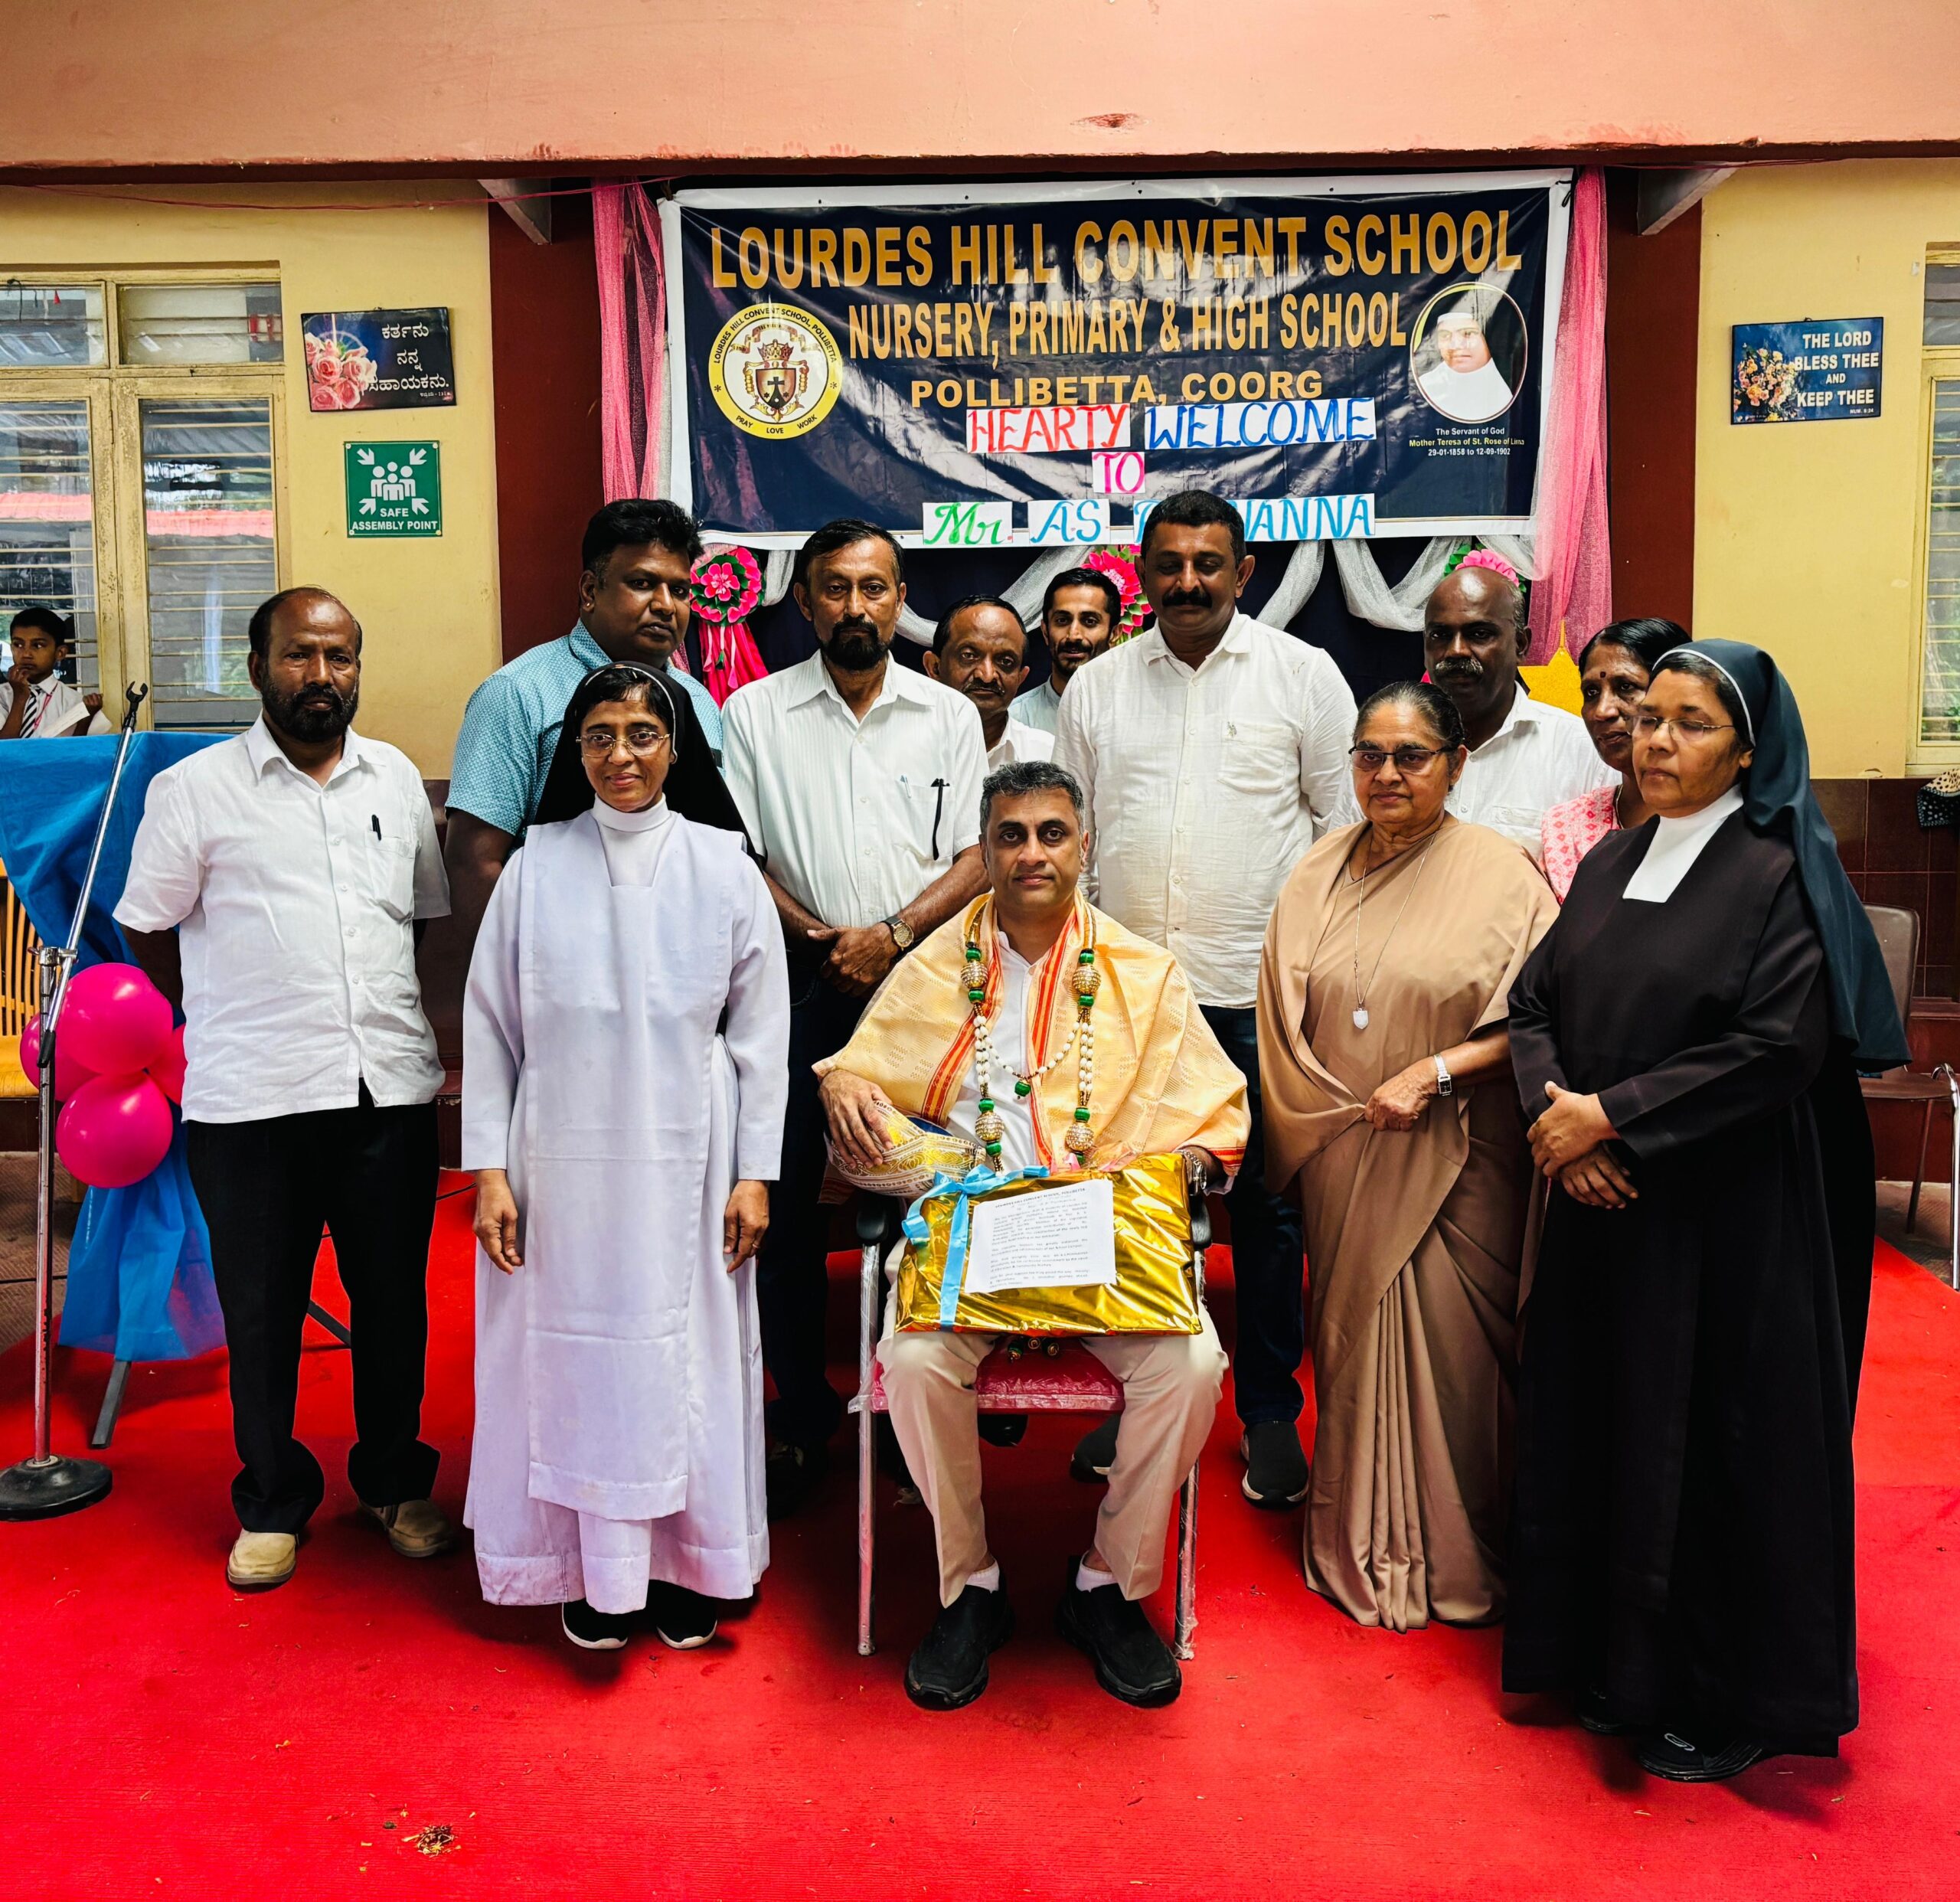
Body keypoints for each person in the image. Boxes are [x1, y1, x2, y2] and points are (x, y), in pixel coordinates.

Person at [1504, 640, 1903, 1783]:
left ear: (1747, 752)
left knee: (1721, 1441)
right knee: (1605, 1421)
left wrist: (1610, 1117)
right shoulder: (1612, 860)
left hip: (1731, 1214)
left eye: (1690, 723)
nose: (1656, 740)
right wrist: (1560, 1122)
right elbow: (1533, 1004)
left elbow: (1777, 1046)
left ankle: (1730, 1696)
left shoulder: (1780, 874)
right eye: (1647, 718)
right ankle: (1611, 1664)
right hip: (1604, 1202)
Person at [818, 760, 1249, 1710]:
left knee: (1190, 1368)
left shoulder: (1143, 973)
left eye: (1052, 833)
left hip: (1102, 1233)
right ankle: (969, 1585)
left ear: (1083, 847)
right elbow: (861, 1066)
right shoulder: (936, 966)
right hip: (971, 1235)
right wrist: (844, 1081)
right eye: (1009, 836)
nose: (1031, 854)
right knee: (913, 1362)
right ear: (983, 853)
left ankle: (1107, 1585)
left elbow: (1213, 1113)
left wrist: (1187, 1164)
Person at [115, 587, 451, 1591]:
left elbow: (419, 920)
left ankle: (393, 1481)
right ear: (257, 668)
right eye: (300, 656)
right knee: (262, 1314)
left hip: (386, 1092)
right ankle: (270, 1501)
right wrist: (229, 1014)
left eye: (339, 657)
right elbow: (146, 927)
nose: (321, 676)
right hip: (252, 1104)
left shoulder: (394, 777)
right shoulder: (194, 790)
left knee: (392, 1305)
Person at [462, 662, 789, 1652]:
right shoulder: (533, 867)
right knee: (566, 1356)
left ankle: (687, 1564)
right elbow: (490, 1027)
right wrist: (489, 1172)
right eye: (598, 736)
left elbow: (762, 1033)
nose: (620, 756)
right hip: (557, 1161)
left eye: (642, 735)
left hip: (693, 1159)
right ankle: (582, 1566)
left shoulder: (724, 865)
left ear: (675, 748)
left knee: (688, 1357)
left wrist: (755, 1175)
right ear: (575, 750)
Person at [1054, 488, 1357, 1509]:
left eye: (1207, 563)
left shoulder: (1303, 676)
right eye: (1169, 564)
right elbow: (1077, 841)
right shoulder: (1097, 689)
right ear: (1142, 573)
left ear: (1243, 572)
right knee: (1122, 1200)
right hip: (1127, 999)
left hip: (1254, 996)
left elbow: (1341, 834)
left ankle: (1268, 1411)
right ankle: (1129, 1401)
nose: (1187, 582)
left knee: (1268, 1213)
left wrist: (1309, 974)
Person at [1256, 681, 1557, 1631]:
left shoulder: (1504, 876)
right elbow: (1280, 1022)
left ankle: (1462, 1549)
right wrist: (1329, 1119)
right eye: (1369, 756)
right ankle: (1358, 1536)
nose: (1386, 774)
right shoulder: (1316, 871)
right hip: (1348, 1153)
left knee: (1459, 1361)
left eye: (1411, 757)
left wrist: (1433, 1072)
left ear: (1456, 765)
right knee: (1351, 1345)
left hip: (1459, 1157)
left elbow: (1541, 1023)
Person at [720, 518, 989, 1515]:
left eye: (874, 588)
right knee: (787, 1206)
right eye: (835, 588)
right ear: (803, 601)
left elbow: (974, 857)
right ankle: (800, 1418)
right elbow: (739, 855)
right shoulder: (753, 714)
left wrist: (892, 933)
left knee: (932, 1206)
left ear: (900, 598)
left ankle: (917, 1419)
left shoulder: (947, 714)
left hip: (922, 989)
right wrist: (825, 939)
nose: (855, 607)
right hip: (795, 984)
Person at [443, 498, 724, 972]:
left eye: (679, 590)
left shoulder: (697, 702)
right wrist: (522, 982)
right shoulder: (518, 693)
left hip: (680, 965)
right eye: (642, 583)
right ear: (591, 591)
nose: (665, 605)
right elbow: (475, 863)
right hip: (559, 968)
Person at [1424, 553, 1615, 852]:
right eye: (1440, 635)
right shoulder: (1389, 754)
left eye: (1479, 634)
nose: (1456, 650)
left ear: (1521, 645)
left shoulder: (1581, 751)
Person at [1539, 619, 1687, 900]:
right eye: (1591, 693)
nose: (1602, 711)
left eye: (1626, 687)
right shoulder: (1567, 826)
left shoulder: (1720, 821)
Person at [923, 593, 1054, 769]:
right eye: (969, 656)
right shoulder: (902, 747)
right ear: (935, 667)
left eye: (1005, 662)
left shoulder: (1047, 756)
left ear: (1020, 677)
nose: (987, 675)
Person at [1014, 567, 1122, 735]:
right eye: (1062, 620)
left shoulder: (1140, 715)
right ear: (1045, 632)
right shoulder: (1015, 721)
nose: (1073, 635)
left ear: (1114, 633)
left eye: (1090, 621)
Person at [2, 606, 108, 737]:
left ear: (60, 653)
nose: (26, 654)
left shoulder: (75, 703)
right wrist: (19, 699)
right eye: (18, 645)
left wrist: (85, 719)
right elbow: (3, 748)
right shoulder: (2, 696)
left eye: (37, 645)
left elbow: (81, 750)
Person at [1416, 298, 1516, 423]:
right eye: (1445, 335)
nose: (1455, 345)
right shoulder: (1425, 386)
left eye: (1468, 334)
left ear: (1487, 339)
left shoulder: (1509, 387)